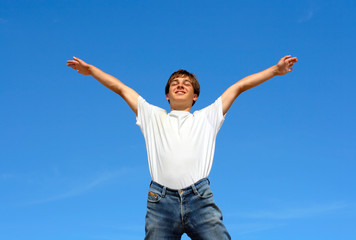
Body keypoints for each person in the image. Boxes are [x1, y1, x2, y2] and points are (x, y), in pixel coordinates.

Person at [67, 55, 298, 239]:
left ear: (195, 96)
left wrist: (275, 71)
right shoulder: (152, 116)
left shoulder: (207, 117)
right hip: (160, 203)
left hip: (199, 199)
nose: (180, 85)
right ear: (167, 95)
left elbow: (238, 87)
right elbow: (121, 88)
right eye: (175, 84)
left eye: (186, 83)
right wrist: (91, 71)